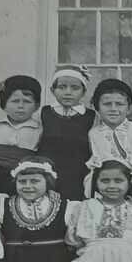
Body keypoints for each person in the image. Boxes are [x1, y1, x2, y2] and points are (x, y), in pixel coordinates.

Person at [85, 78, 132, 214]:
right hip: (109, 187)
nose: (113, 109)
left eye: (119, 104)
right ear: (97, 107)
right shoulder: (94, 133)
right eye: (107, 104)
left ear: (129, 107)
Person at [37, 66, 96, 201]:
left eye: (75, 88)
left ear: (83, 92)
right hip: (47, 175)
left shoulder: (92, 117)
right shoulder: (44, 113)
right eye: (62, 87)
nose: (68, 92)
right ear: (52, 90)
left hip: (77, 176)